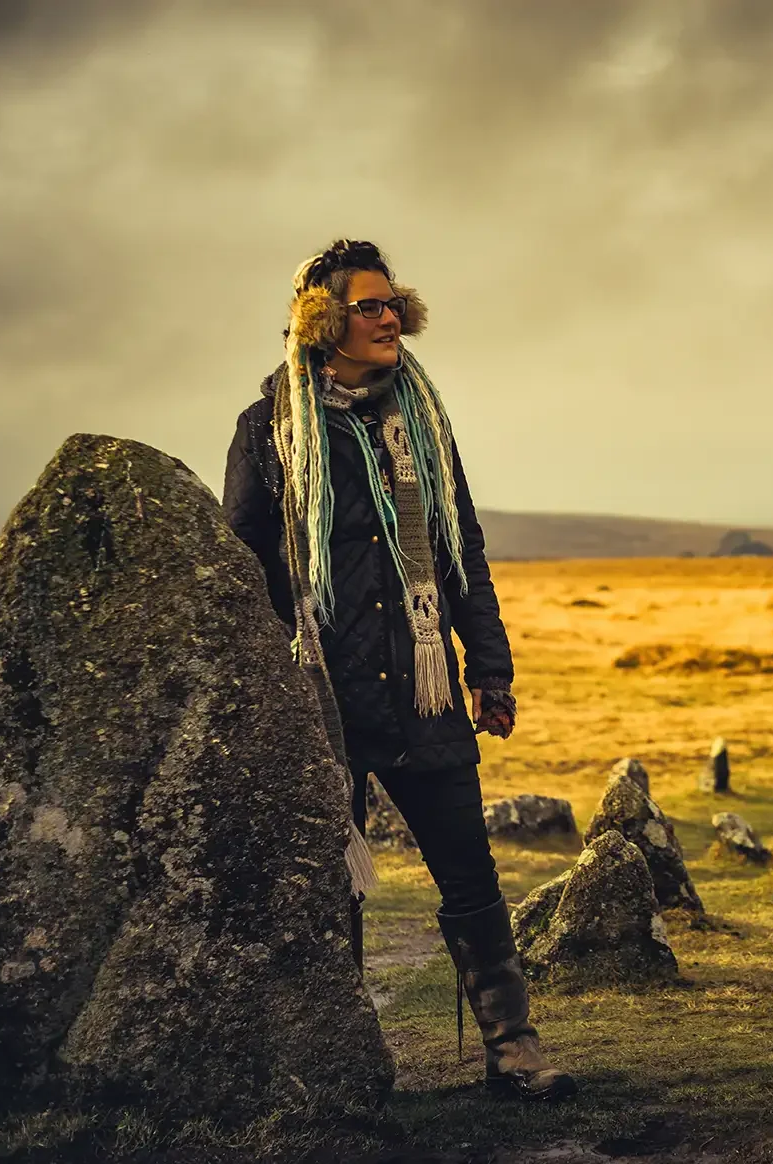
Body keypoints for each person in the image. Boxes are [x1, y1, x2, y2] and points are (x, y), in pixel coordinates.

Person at [221, 238, 576, 1102]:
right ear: (325, 320)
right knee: (327, 888)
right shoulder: (266, 429)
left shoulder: (420, 416)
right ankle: (341, 1065)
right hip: (319, 701)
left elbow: (463, 551)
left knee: (470, 872)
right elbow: (242, 565)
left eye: (393, 305)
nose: (391, 319)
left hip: (422, 690)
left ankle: (513, 1047)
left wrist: (489, 667)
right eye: (370, 306)